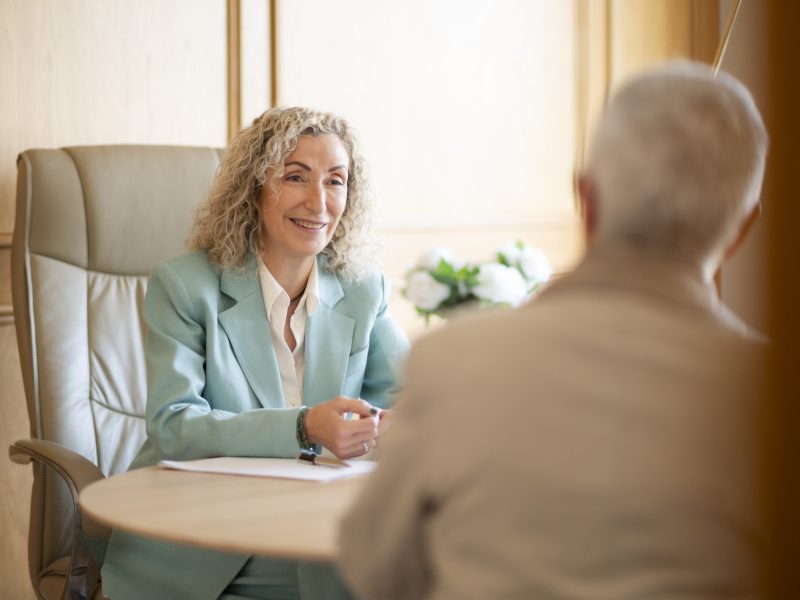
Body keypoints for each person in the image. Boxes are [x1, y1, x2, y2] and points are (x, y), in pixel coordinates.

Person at [338, 61, 768, 599]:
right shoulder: (773, 393)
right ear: (744, 228)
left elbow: (377, 569)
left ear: (586, 199)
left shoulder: (451, 363)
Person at [102, 106, 409, 600]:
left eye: (336, 181)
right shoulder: (185, 286)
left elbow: (414, 405)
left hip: (323, 530)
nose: (319, 202)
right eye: (295, 177)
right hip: (207, 540)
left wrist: (397, 427)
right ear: (254, 187)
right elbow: (175, 426)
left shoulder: (362, 290)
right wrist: (304, 426)